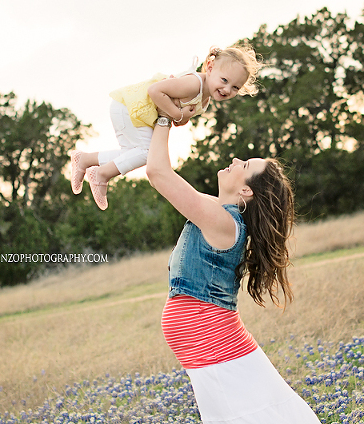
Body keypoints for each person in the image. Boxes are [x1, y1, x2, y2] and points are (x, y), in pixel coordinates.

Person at [145, 118, 322, 423]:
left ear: (246, 190)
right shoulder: (218, 213)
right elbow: (155, 166)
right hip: (211, 349)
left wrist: (164, 116)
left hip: (214, 348)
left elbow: (158, 173)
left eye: (244, 165)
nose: (236, 160)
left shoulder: (223, 223)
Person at [70, 44, 261, 210]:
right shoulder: (194, 83)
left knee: (132, 152)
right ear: (210, 67)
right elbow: (155, 91)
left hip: (134, 111)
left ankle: (85, 159)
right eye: (224, 80)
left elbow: (179, 117)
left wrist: (181, 117)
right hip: (130, 107)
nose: (227, 89)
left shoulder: (206, 99)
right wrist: (177, 114)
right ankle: (101, 174)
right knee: (147, 153)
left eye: (235, 87)